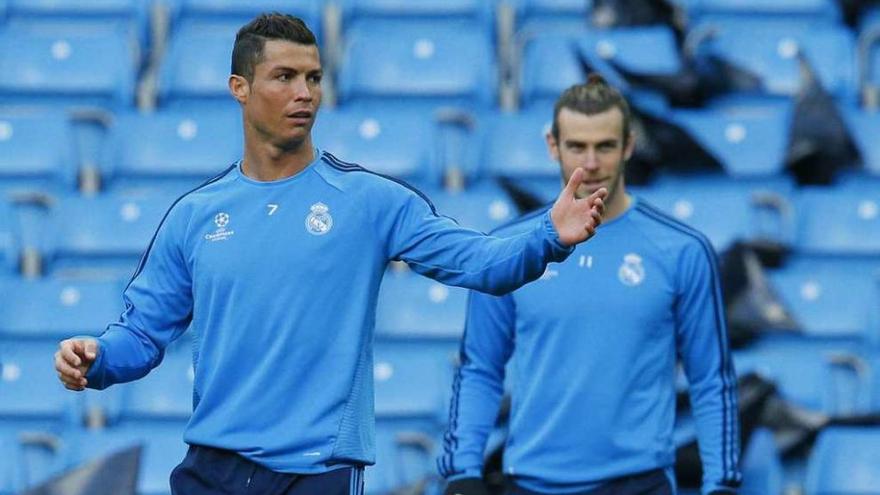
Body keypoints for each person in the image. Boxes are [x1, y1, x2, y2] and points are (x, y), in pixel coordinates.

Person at [53, 13, 608, 495]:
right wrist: (96, 358)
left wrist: (547, 237)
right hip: (213, 470)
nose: (305, 93)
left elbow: (479, 262)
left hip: (317, 474)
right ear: (239, 88)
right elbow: (143, 335)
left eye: (314, 78)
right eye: (285, 77)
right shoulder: (195, 216)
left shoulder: (369, 201)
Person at [438, 75, 742, 495]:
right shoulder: (508, 248)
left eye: (605, 146)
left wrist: (721, 482)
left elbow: (711, 379)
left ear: (629, 146)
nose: (591, 163)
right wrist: (462, 471)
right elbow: (480, 369)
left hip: (641, 484)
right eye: (577, 147)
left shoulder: (682, 251)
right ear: (552, 146)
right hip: (532, 484)